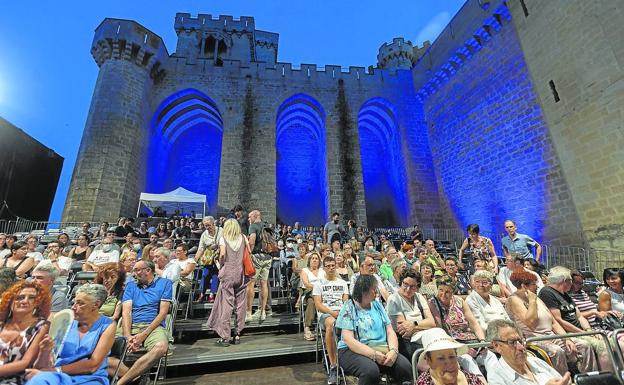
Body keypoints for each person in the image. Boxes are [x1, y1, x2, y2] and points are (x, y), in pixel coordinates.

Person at [506, 270, 597, 375]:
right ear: (523, 286)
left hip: (551, 336)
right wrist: (532, 301)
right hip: (533, 339)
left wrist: (566, 338)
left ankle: (589, 378)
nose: (537, 286)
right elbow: (530, 321)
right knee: (557, 351)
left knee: (584, 345)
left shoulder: (537, 299)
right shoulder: (514, 299)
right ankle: (563, 380)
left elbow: (554, 323)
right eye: (534, 284)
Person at [26, 284, 116, 385]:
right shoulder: (65, 321)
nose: (73, 307)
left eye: (80, 303)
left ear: (96, 304)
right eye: (74, 302)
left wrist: (55, 370)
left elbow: (93, 365)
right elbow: (46, 361)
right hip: (58, 374)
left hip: (90, 378)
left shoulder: (107, 325)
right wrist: (44, 352)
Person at [335, 275, 412, 385]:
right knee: (370, 371)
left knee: (405, 367)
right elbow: (348, 339)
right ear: (364, 290)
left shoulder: (377, 305)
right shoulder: (349, 307)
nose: (376, 292)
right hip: (352, 350)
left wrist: (394, 351)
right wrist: (373, 354)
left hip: (381, 348)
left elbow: (390, 331)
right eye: (374, 289)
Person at [117, 260, 172, 385]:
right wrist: (127, 336)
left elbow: (162, 313)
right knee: (103, 345)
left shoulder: (165, 283)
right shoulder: (131, 286)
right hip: (130, 326)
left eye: (137, 269)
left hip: (152, 327)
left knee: (161, 347)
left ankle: (121, 382)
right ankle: (136, 377)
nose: (134, 273)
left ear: (148, 271)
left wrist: (143, 335)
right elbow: (126, 312)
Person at [486, 319, 570, 385]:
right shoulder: (496, 377)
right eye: (512, 342)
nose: (521, 347)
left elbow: (561, 380)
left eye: (521, 341)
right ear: (497, 346)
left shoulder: (536, 362)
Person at [205, 218, 248, 346]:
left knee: (226, 305)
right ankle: (238, 334)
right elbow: (249, 252)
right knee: (240, 305)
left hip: (228, 273)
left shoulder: (223, 239)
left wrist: (221, 265)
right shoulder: (243, 237)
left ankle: (225, 336)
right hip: (241, 273)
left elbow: (222, 254)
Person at [0, 281, 50, 385]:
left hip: (14, 379)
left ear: (38, 302)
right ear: (10, 301)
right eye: (19, 297)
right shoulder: (2, 323)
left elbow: (25, 363)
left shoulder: (41, 326)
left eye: (31, 298)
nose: (25, 301)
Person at [312, 256, 349, 384]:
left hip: (341, 313)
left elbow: (345, 301)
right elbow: (318, 305)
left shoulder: (343, 283)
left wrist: (342, 312)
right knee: (332, 324)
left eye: (333, 265)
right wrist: (331, 312)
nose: (331, 268)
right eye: (328, 266)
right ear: (324, 268)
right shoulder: (318, 284)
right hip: (326, 314)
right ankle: (333, 365)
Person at [386, 271, 435, 359]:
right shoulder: (394, 299)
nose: (408, 289)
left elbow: (432, 322)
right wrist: (423, 324)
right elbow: (404, 330)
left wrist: (414, 324)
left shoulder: (419, 297)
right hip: (407, 342)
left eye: (412, 287)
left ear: (417, 287)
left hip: (422, 336)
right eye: (405, 284)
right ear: (401, 283)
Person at [415, 328, 485, 385]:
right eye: (441, 358)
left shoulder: (472, 380)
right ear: (429, 361)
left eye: (452, 356)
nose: (449, 363)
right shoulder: (423, 383)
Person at [428, 275, 485, 343]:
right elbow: (439, 328)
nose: (443, 294)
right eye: (441, 290)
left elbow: (474, 323)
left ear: (453, 292)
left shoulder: (459, 301)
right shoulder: (433, 303)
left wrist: (482, 341)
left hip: (470, 338)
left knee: (489, 353)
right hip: (451, 341)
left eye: (447, 292)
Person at [246, 210, 272, 322]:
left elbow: (251, 242)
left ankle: (248, 312)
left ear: (256, 216)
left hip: (257, 256)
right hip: (268, 257)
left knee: (250, 284)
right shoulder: (267, 226)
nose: (248, 219)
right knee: (264, 284)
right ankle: (262, 312)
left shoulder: (254, 226)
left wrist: (248, 253)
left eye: (250, 216)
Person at [195, 216, 222, 303]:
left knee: (215, 275)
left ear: (214, 224)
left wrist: (218, 248)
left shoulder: (221, 231)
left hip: (219, 257)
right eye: (205, 226)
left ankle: (212, 294)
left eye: (209, 225)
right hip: (208, 258)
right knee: (205, 275)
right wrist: (195, 260)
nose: (207, 227)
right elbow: (200, 248)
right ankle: (202, 293)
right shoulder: (204, 234)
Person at [300, 252, 325, 341]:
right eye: (313, 258)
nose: (314, 260)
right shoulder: (304, 270)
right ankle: (307, 328)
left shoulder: (322, 271)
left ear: (319, 261)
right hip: (309, 292)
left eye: (316, 258)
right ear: (309, 260)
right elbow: (306, 284)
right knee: (311, 302)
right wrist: (318, 287)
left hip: (322, 293)